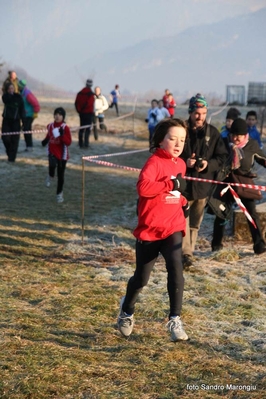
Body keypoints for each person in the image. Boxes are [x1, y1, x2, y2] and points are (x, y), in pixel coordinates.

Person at [117, 118, 190, 342]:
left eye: (182, 140)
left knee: (176, 266)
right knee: (141, 279)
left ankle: (175, 319)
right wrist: (171, 184)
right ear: (160, 140)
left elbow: (173, 195)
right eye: (172, 138)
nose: (178, 144)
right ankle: (126, 311)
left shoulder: (181, 164)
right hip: (150, 230)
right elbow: (144, 188)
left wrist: (183, 201)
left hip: (173, 227)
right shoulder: (154, 162)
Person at [180, 93, 228, 268]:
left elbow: (222, 157)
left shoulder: (213, 133)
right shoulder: (180, 130)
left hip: (203, 187)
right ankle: (185, 253)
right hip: (184, 186)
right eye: (196, 113)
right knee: (182, 222)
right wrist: (185, 161)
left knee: (194, 224)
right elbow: (171, 152)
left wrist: (207, 165)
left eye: (203, 113)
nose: (199, 117)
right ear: (190, 112)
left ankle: (189, 252)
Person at [211, 118, 266, 255]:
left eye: (239, 135)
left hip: (243, 183)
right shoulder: (223, 143)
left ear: (245, 135)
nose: (235, 138)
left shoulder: (251, 145)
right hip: (226, 182)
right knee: (221, 214)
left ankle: (259, 244)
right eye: (233, 134)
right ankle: (217, 244)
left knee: (251, 214)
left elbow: (263, 159)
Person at [41, 107, 72, 203]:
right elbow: (48, 137)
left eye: (60, 114)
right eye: (56, 114)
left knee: (61, 176)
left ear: (63, 117)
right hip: (52, 152)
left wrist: (62, 135)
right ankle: (50, 175)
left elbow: (68, 142)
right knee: (52, 165)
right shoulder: (50, 126)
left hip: (63, 155)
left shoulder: (65, 128)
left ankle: (59, 194)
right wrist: (45, 141)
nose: (57, 116)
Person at [1, 83, 25, 162]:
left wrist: (24, 123)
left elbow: (22, 110)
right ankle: (9, 152)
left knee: (15, 140)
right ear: (7, 89)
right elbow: (5, 99)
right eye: (9, 88)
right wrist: (9, 94)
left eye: (12, 88)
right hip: (6, 121)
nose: (11, 89)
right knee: (5, 138)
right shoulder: (5, 96)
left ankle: (12, 158)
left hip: (16, 121)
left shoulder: (18, 97)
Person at [18, 79, 40, 151]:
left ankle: (29, 146)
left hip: (29, 114)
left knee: (27, 129)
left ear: (22, 86)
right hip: (25, 114)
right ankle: (28, 146)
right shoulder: (21, 92)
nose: (18, 87)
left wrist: (35, 112)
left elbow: (35, 103)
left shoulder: (27, 94)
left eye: (19, 86)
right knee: (25, 129)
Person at [75, 79, 95, 148]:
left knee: (82, 128)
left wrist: (79, 111)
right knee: (87, 129)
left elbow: (76, 103)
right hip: (88, 113)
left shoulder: (79, 93)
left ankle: (80, 143)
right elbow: (89, 104)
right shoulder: (91, 94)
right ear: (91, 85)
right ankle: (86, 144)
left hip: (81, 114)